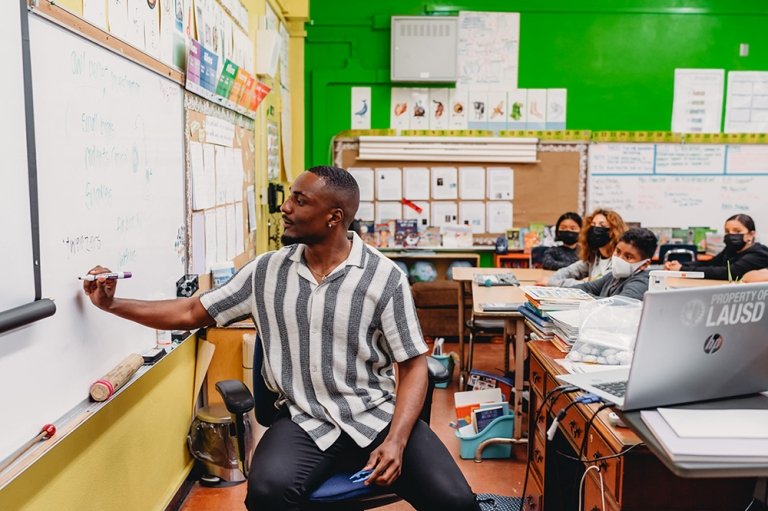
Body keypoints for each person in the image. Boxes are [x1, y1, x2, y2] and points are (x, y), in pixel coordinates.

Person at [83, 166, 480, 511]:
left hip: (375, 416)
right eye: (290, 197)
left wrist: (396, 441)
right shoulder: (267, 272)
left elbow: (412, 365)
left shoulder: (384, 277)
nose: (285, 208)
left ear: (334, 217)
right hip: (306, 420)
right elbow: (191, 312)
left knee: (457, 502)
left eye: (299, 201)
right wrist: (113, 305)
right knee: (267, 493)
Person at [664, 214, 768, 281]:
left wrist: (682, 269)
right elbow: (711, 263)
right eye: (727, 231)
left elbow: (727, 272)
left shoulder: (759, 254)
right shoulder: (731, 249)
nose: (731, 235)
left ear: (751, 234)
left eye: (737, 231)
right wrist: (679, 265)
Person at [539, 208, 626, 287]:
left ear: (614, 231)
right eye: (593, 224)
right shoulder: (595, 256)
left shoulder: (619, 259)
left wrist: (554, 283)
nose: (595, 229)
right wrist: (551, 280)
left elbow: (595, 286)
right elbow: (570, 271)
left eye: (602, 226)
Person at [575, 227, 658, 301]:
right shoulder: (614, 276)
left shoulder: (641, 283)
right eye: (618, 251)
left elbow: (619, 305)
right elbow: (586, 287)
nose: (619, 258)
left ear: (644, 264)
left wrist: (583, 298)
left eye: (628, 257)